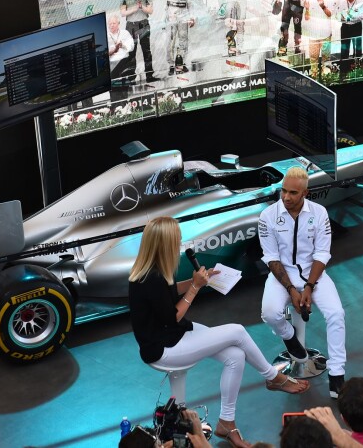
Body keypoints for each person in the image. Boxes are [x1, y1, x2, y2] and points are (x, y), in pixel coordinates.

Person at [128, 217, 309, 448]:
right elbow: (173, 316)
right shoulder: (151, 278)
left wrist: (197, 281)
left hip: (173, 335)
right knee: (238, 331)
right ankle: (273, 378)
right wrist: (195, 288)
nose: (180, 243)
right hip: (164, 347)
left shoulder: (152, 269)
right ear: (164, 243)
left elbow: (168, 293)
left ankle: (226, 422)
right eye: (177, 240)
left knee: (235, 356)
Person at [259, 166, 346, 398]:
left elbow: (322, 254)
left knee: (336, 314)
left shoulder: (319, 213)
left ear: (305, 193)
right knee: (269, 313)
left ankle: (337, 374)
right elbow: (271, 258)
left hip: (313, 273)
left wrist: (308, 286)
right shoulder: (268, 216)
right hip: (281, 275)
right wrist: (290, 288)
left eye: (293, 193)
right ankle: (289, 337)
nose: (286, 197)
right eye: (283, 191)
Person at [154, 0, 195, 75]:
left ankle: (181, 63)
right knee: (170, 43)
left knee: (183, 42)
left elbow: (191, 6)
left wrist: (192, 18)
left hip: (183, 20)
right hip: (171, 22)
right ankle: (172, 65)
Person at [120, 0, 158, 84]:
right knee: (131, 53)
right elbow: (123, 13)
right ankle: (131, 79)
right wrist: (135, 8)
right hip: (131, 26)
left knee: (147, 51)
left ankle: (150, 76)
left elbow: (150, 11)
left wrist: (142, 7)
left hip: (143, 24)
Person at [303, 0, 334, 80]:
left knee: (326, 58)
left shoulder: (329, 1)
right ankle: (314, 78)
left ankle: (326, 79)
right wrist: (307, 9)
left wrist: (323, 6)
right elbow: (306, 18)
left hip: (326, 36)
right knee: (313, 58)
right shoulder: (310, 2)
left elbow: (330, 14)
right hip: (313, 37)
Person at [337, 0, 363, 82]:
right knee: (344, 49)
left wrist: (350, 16)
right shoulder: (342, 2)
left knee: (357, 48)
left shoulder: (361, 2)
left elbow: (362, 16)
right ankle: (344, 72)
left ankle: (357, 70)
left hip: (356, 27)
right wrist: (350, 15)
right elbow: (339, 16)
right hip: (345, 27)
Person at [107, 13, 135, 102]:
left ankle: (125, 104)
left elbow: (131, 46)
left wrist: (122, 45)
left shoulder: (125, 33)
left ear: (118, 24)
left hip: (124, 63)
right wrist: (113, 50)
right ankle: (115, 105)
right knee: (114, 90)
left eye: (114, 23)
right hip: (112, 64)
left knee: (124, 88)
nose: (111, 25)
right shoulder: (106, 36)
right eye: (110, 23)